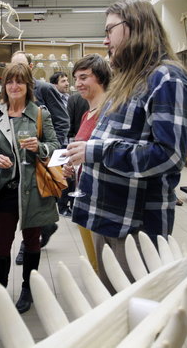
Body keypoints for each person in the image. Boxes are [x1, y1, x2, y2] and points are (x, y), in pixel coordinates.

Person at [65, 0, 187, 294]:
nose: (105, 39)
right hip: (109, 216)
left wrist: (95, 151)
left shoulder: (166, 78)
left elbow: (169, 155)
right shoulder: (128, 79)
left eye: (110, 30)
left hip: (135, 225)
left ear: (134, 26)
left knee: (136, 307)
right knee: (113, 302)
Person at [0, 63, 60, 314]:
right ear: (4, 85)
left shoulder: (40, 114)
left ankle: (27, 288)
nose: (14, 86)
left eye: (19, 82)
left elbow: (55, 144)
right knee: (0, 243)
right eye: (9, 81)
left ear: (28, 86)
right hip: (5, 188)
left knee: (32, 241)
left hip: (33, 188)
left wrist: (40, 148)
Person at [11, 51, 68, 263]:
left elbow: (62, 119)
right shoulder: (13, 89)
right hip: (21, 159)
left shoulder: (43, 88)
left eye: (22, 66)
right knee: (25, 201)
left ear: (31, 67)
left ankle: (27, 246)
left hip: (43, 156)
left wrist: (54, 151)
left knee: (36, 200)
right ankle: (45, 226)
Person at [62, 54, 111, 273]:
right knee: (93, 257)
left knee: (104, 260)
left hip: (101, 197)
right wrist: (71, 164)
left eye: (84, 77)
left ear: (100, 78)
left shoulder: (109, 113)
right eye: (76, 78)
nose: (78, 83)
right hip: (84, 191)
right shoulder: (86, 114)